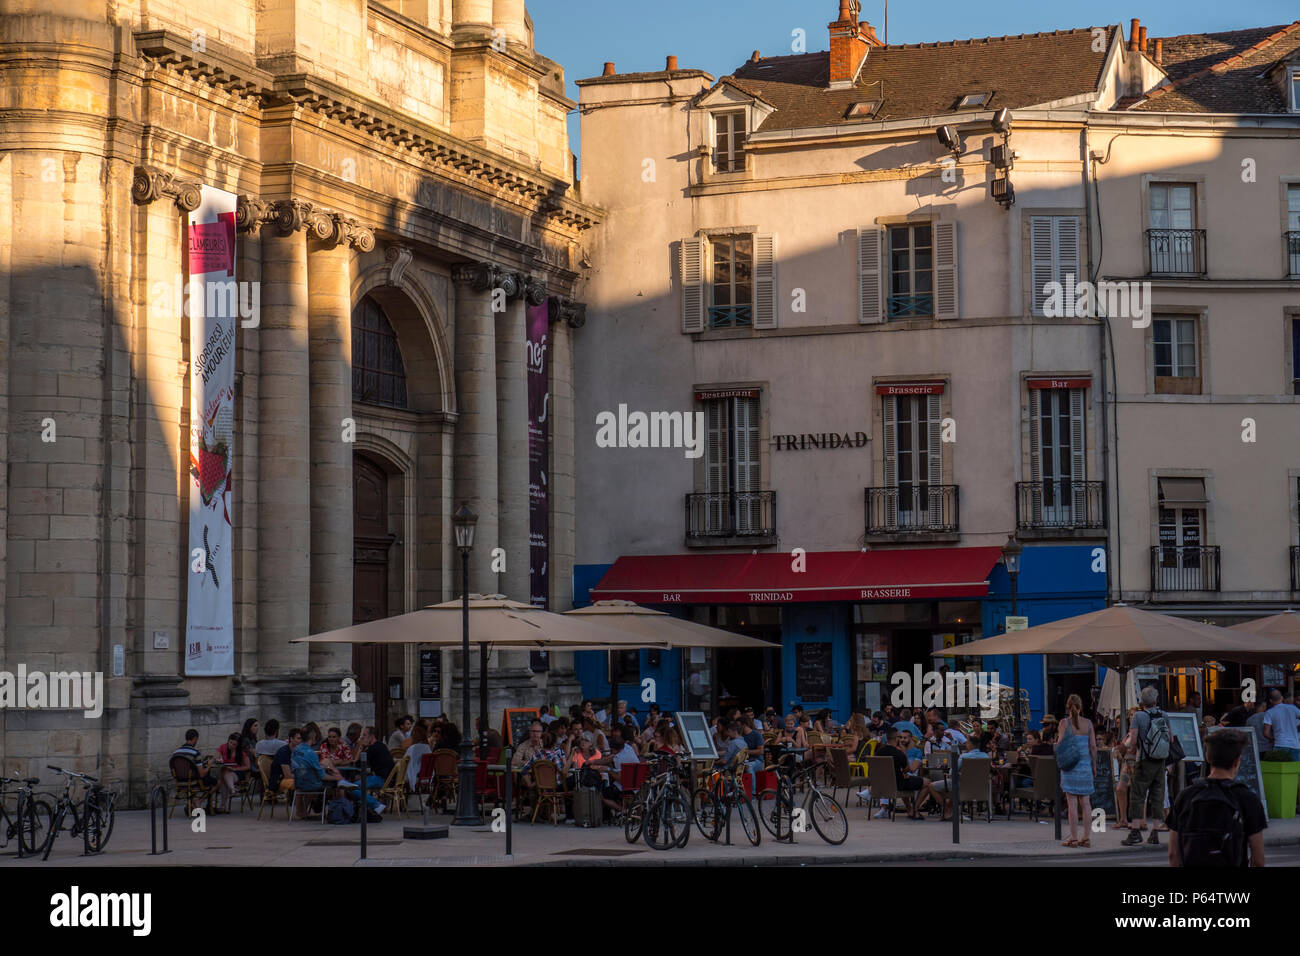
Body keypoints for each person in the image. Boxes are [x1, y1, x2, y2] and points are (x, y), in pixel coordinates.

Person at [1168, 729, 1266, 867]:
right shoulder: (1248, 799)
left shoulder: (1186, 796)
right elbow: (1258, 859)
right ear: (1238, 760)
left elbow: (1173, 854)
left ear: (1207, 757)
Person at [1122, 686, 1170, 846]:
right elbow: (1170, 738)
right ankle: (1155, 832)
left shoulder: (1138, 716)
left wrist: (1129, 750)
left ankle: (1135, 831)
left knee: (1137, 794)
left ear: (1142, 701)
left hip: (1144, 760)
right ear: (1156, 700)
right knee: (1157, 795)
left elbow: (1133, 741)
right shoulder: (1164, 715)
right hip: (1160, 761)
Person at [1058, 693, 1097, 848]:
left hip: (1070, 768)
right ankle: (1086, 838)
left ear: (1068, 707)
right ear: (1081, 707)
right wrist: (1094, 765)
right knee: (1086, 803)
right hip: (1085, 767)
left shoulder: (1064, 723)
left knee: (1072, 803)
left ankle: (1073, 838)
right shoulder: (1088, 724)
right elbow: (1093, 747)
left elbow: (1061, 744)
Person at [876, 727, 937, 820]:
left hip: (882, 785)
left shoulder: (878, 752)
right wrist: (904, 753)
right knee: (928, 782)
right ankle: (915, 810)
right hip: (898, 784)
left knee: (908, 779)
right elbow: (907, 769)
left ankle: (910, 809)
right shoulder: (898, 753)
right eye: (899, 737)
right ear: (896, 739)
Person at [291, 727, 348, 818]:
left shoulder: (296, 750)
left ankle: (301, 811)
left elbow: (298, 767)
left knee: (326, 762)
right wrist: (337, 777)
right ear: (312, 737)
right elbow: (322, 776)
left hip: (298, 782)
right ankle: (341, 811)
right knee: (337, 783)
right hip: (313, 784)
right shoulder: (311, 753)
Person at [595, 725, 640, 816]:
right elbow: (610, 758)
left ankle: (622, 810)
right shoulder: (628, 748)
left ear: (614, 749)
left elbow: (620, 779)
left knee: (601, 795)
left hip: (627, 787)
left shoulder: (619, 758)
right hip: (637, 784)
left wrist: (608, 770)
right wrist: (595, 761)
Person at [172, 729, 220, 802]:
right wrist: (209, 765)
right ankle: (199, 802)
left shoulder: (175, 753)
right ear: (195, 738)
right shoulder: (195, 753)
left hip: (179, 783)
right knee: (216, 782)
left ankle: (191, 804)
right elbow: (202, 774)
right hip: (193, 783)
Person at [1261, 688, 1300, 762]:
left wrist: (1273, 738)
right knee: (1296, 770)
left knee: (1280, 770)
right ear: (1282, 698)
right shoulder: (1293, 708)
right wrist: (1297, 728)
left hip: (1280, 744)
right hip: (1295, 745)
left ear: (1270, 700)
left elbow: (1266, 733)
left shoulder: (1269, 712)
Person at [267, 728, 302, 797]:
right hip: (278, 780)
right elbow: (287, 775)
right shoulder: (284, 752)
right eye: (299, 738)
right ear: (291, 739)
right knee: (304, 783)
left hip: (290, 777)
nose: (301, 741)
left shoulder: (298, 751)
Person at [403, 723, 432, 790]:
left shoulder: (412, 748)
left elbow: (405, 762)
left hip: (415, 777)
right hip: (427, 777)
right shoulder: (427, 747)